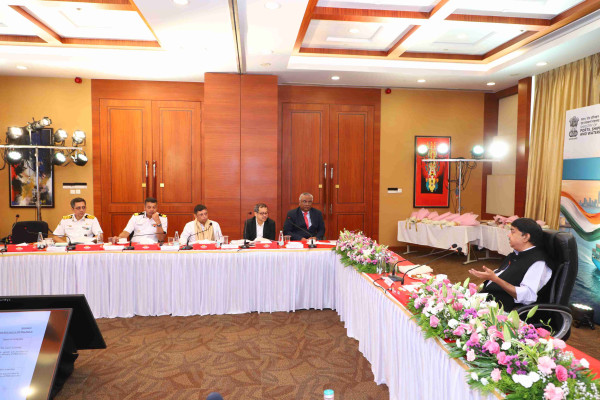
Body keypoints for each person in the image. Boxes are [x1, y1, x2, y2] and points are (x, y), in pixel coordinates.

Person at [469, 217, 553, 312]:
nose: (508, 235)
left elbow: (527, 296)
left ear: (525, 237)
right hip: (487, 299)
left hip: (503, 310)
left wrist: (495, 279)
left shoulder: (538, 262)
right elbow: (500, 273)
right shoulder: (516, 254)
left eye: (513, 232)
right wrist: (477, 289)